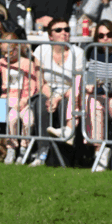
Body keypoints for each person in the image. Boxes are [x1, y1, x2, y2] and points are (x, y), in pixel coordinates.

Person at [33, 19, 85, 165]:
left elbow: (77, 83)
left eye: (66, 29)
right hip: (47, 90)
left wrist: (57, 98)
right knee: (41, 105)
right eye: (58, 30)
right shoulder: (41, 50)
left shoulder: (78, 53)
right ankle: (42, 152)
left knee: (65, 106)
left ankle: (65, 156)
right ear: (50, 36)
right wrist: (52, 97)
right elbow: (40, 82)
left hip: (70, 92)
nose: (64, 33)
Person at [0, 37, 40, 165]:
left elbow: (33, 85)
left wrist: (24, 100)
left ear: (17, 48)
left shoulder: (27, 63)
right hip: (8, 99)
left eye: (9, 52)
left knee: (29, 121)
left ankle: (24, 148)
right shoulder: (2, 62)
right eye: (4, 52)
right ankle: (11, 148)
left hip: (24, 100)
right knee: (11, 119)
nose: (7, 55)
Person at [81, 20, 112, 171]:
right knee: (94, 103)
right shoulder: (94, 52)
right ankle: (100, 150)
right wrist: (97, 86)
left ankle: (100, 151)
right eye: (101, 35)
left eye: (109, 35)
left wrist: (100, 86)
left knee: (93, 102)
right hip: (101, 99)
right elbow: (90, 81)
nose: (105, 38)